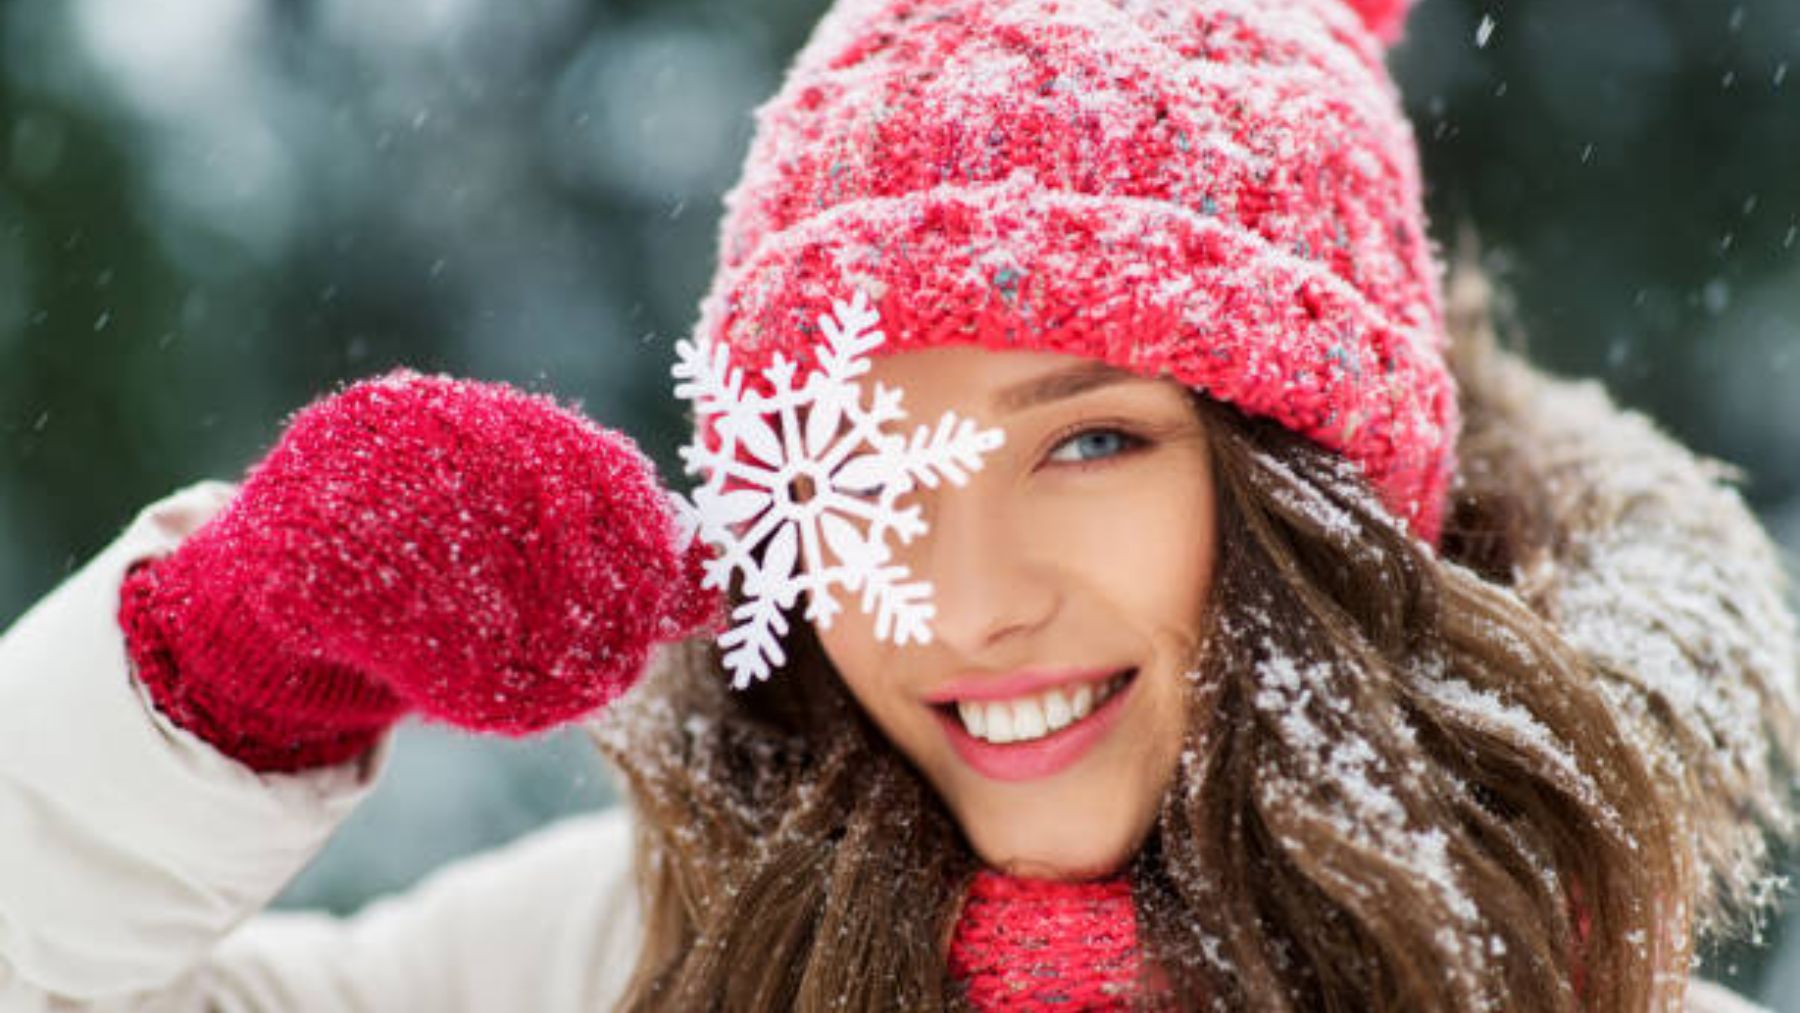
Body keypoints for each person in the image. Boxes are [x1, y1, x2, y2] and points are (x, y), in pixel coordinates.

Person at [0, 0, 1793, 1009]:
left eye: (1089, 440)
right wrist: (223, 670)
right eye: (859, 466)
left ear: (1330, 488)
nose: (961, 601)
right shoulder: (638, 955)